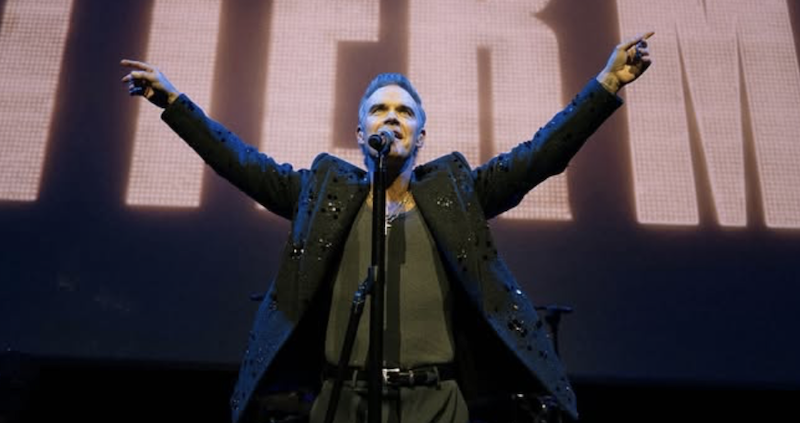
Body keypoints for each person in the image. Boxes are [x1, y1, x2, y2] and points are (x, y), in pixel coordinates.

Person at [121, 32, 653, 423]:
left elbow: (540, 155)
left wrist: (606, 85)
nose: (391, 117)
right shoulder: (321, 194)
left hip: (435, 403)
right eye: (378, 110)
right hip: (341, 402)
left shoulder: (458, 194)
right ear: (360, 131)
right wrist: (175, 105)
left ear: (421, 136)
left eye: (404, 111)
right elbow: (239, 162)